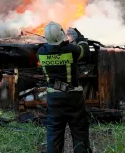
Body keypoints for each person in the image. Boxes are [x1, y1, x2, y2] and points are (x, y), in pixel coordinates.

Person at [37, 21, 92, 153]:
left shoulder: (41, 52)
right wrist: (79, 37)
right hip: (73, 97)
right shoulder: (71, 50)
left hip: (53, 98)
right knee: (79, 131)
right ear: (61, 34)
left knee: (54, 133)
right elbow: (85, 50)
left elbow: (52, 49)